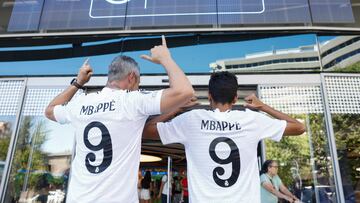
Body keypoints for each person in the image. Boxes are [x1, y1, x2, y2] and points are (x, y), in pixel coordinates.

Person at [44, 35, 194, 203]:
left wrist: (78, 82)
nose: (138, 87)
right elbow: (185, 91)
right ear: (132, 78)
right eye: (138, 82)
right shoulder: (130, 101)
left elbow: (49, 111)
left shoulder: (81, 103)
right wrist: (166, 59)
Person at [143, 71, 305, 203]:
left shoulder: (192, 119)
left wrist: (177, 108)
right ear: (235, 98)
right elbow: (300, 127)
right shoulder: (251, 120)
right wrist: (263, 106)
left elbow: (147, 130)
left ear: (209, 96)